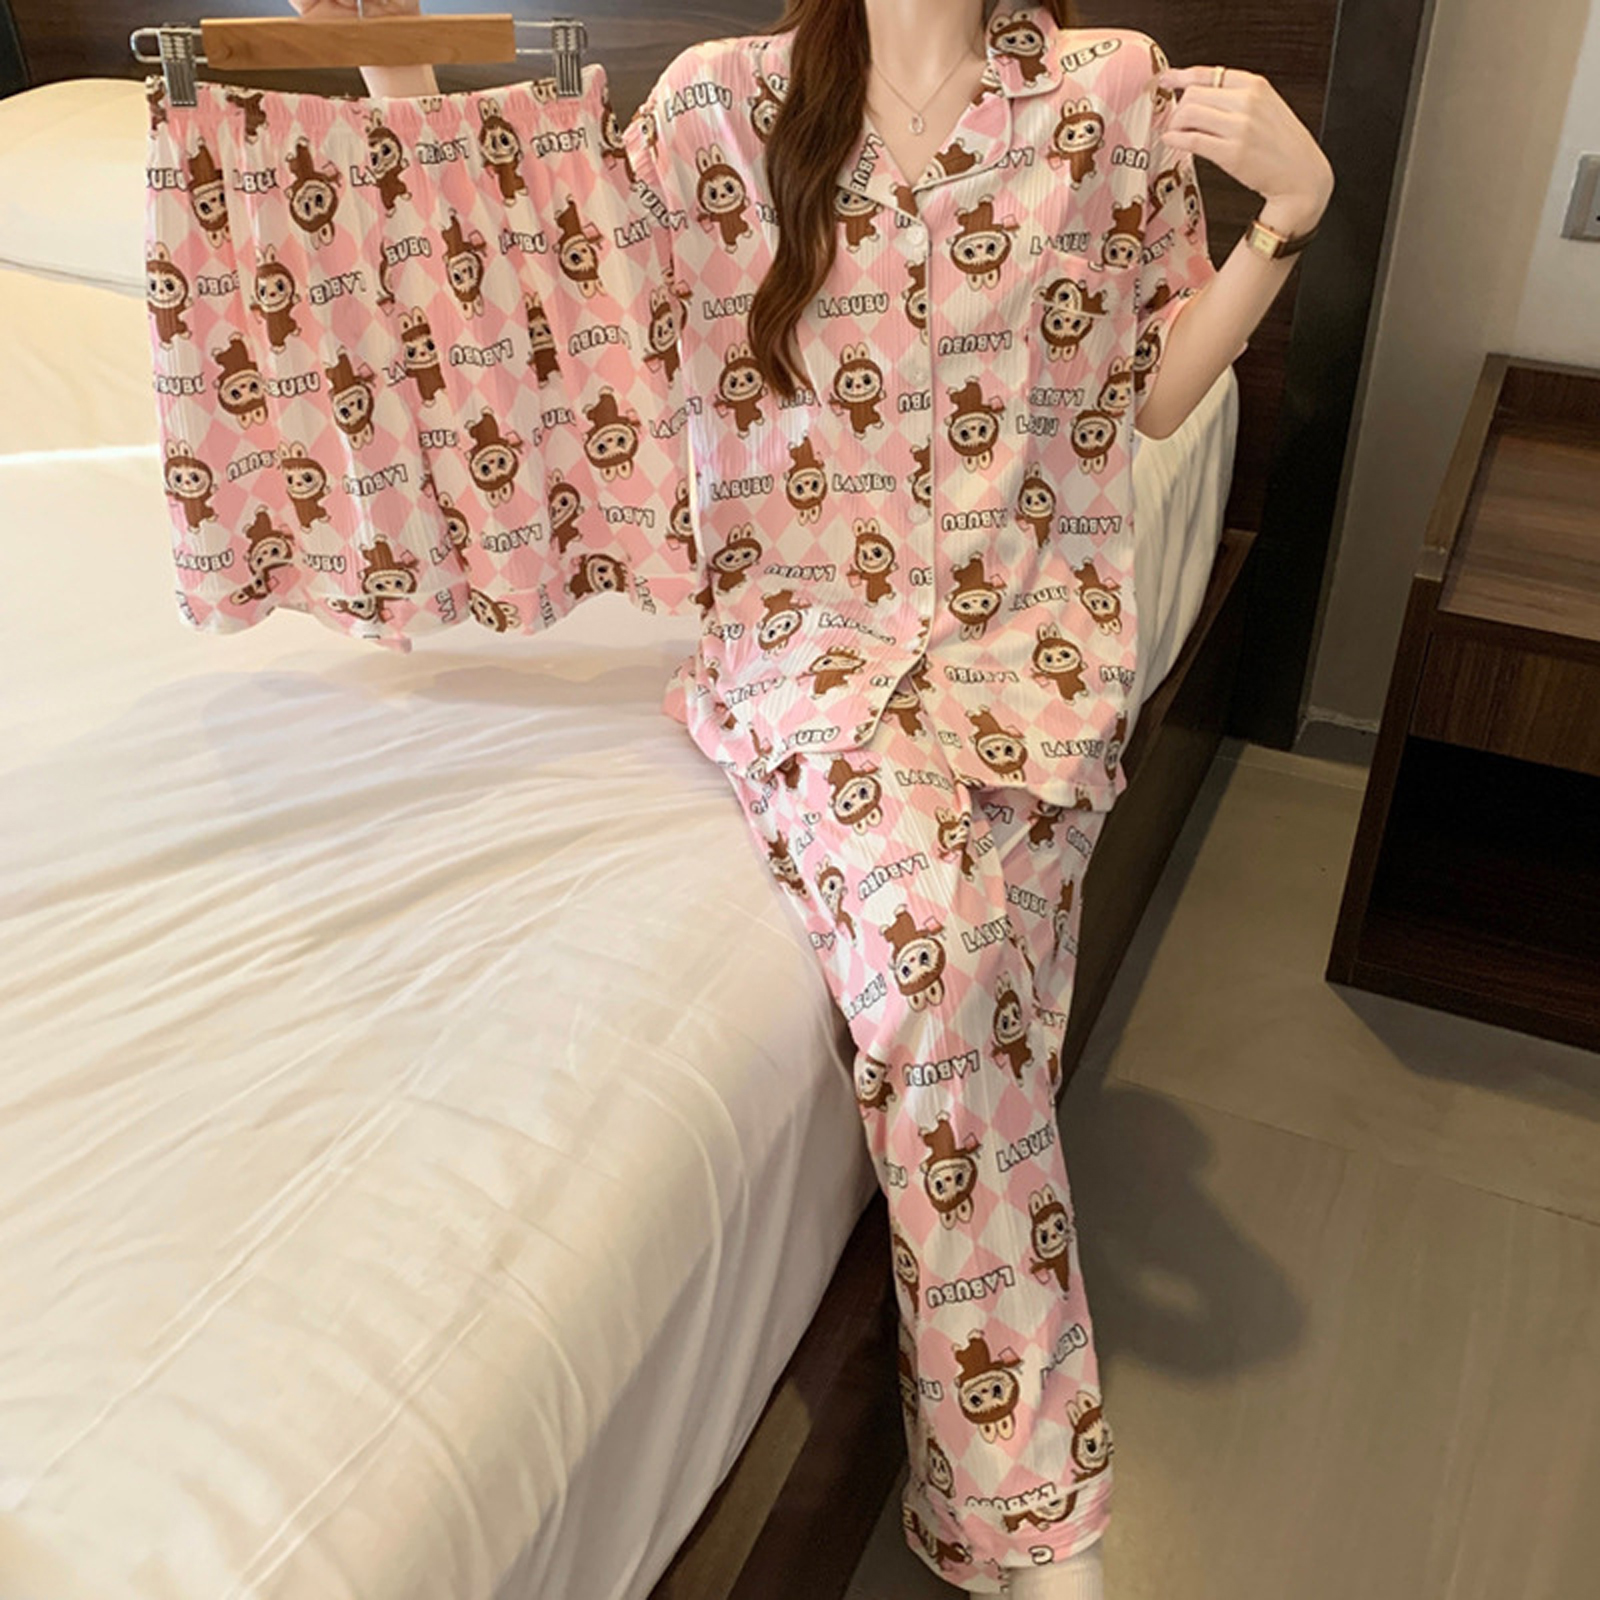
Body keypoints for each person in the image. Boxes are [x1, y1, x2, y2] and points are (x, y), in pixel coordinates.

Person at [150, 3, 1334, 1594]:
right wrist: (395, 63)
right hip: (810, 651)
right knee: (940, 966)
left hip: (1032, 651)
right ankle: (1034, 1521)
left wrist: (1291, 215)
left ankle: (998, 1456)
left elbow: (1160, 395)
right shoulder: (719, 104)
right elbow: (545, 288)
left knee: (993, 998)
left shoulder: (1107, 90)